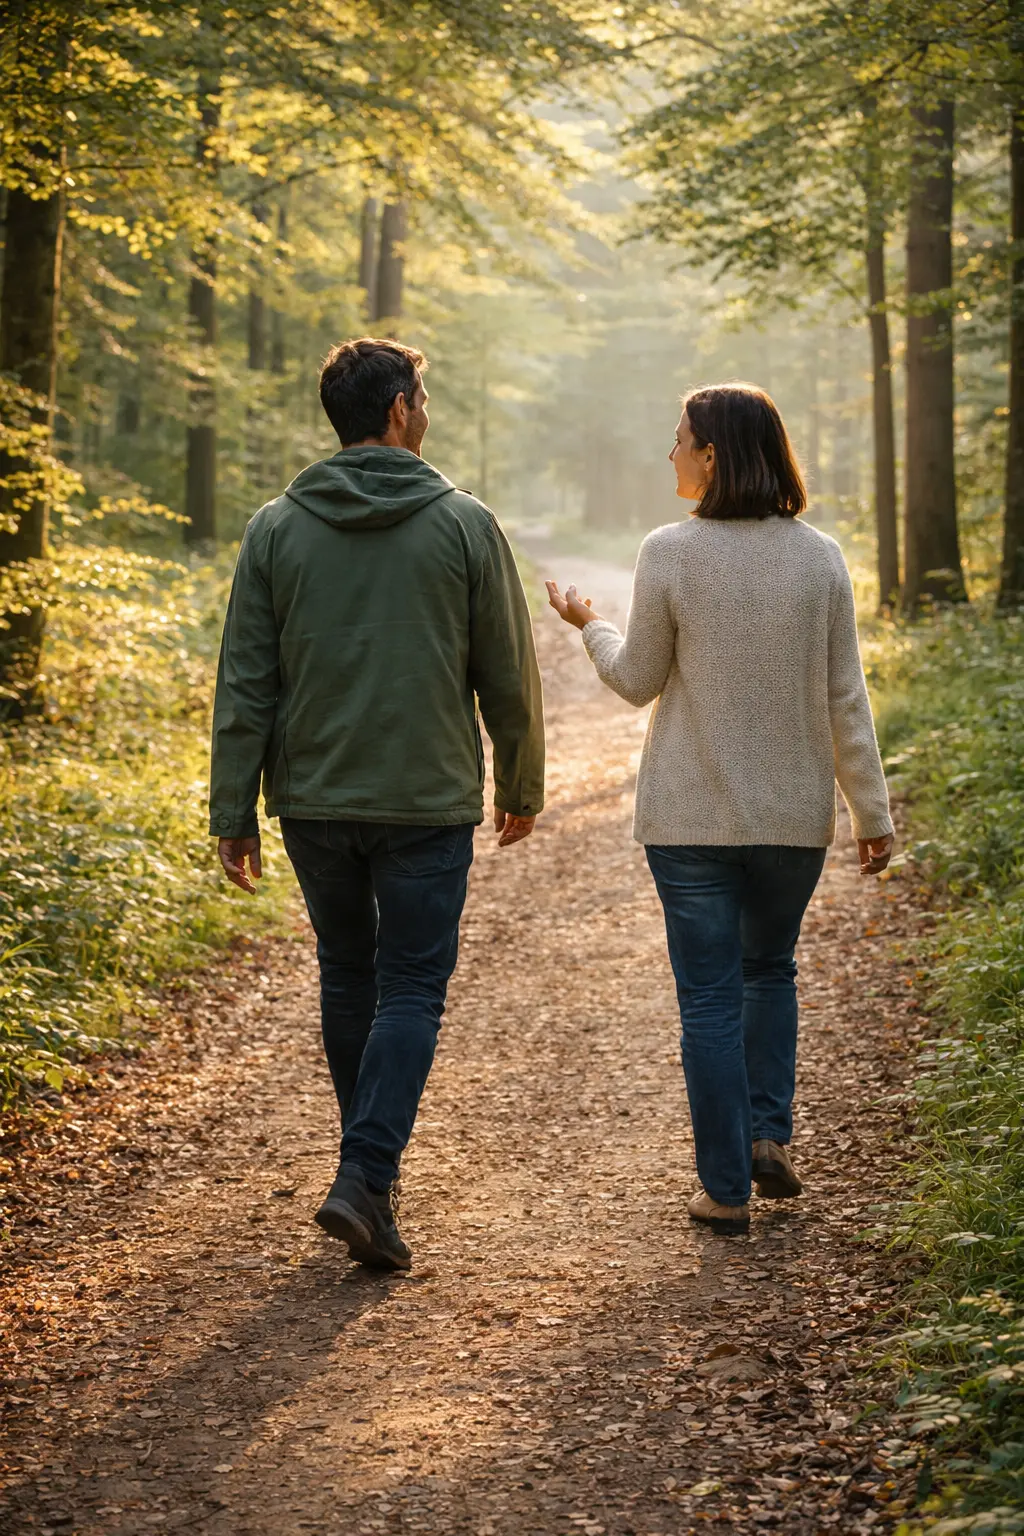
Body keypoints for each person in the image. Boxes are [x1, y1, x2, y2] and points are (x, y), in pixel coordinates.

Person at [209, 336, 544, 1270]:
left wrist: (232, 807)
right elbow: (508, 673)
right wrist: (520, 779)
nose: (427, 412)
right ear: (398, 408)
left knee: (350, 976)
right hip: (427, 800)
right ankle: (363, 1175)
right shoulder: (466, 523)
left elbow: (246, 680)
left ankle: (370, 1186)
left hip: (314, 800)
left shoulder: (276, 527)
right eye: (423, 398)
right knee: (409, 987)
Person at [547, 382, 893, 1237]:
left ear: (714, 455)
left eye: (680, 439)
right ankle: (769, 1135)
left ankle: (724, 1187)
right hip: (791, 819)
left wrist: (588, 625)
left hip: (690, 821)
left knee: (707, 998)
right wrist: (872, 814)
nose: (670, 453)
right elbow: (846, 698)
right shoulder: (821, 557)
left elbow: (634, 682)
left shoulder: (669, 551)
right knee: (768, 971)